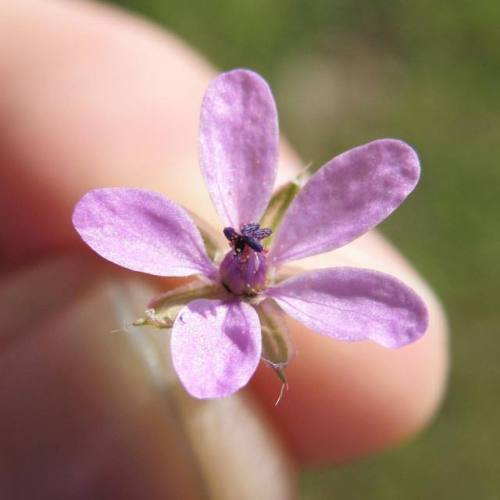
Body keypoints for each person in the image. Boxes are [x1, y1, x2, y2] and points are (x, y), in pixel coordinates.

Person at [0, 1, 448, 498]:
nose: (245, 256)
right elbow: (104, 221)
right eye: (241, 251)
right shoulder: (231, 261)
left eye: (248, 254)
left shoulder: (250, 262)